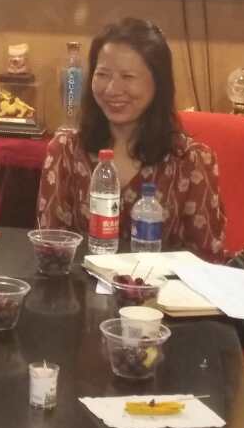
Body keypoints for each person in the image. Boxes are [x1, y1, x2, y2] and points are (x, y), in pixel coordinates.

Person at [37, 18, 226, 262]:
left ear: (158, 83)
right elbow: (50, 249)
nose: (112, 89)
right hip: (80, 284)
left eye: (128, 77)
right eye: (102, 74)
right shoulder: (65, 151)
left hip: (160, 286)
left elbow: (208, 262)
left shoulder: (191, 161)